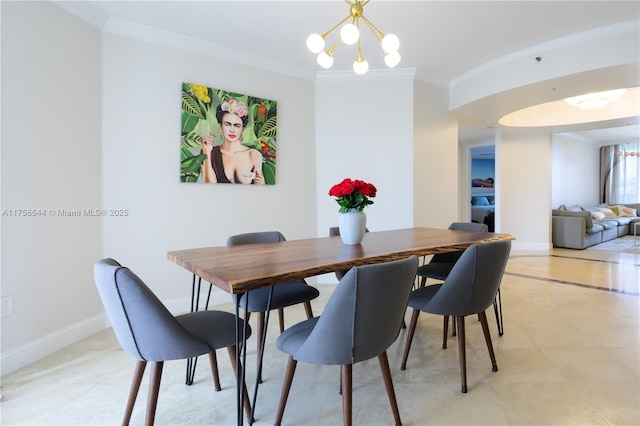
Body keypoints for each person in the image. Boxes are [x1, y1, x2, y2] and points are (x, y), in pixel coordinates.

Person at [200, 99, 265, 184]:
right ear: (220, 127)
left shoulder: (254, 155)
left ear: (242, 129)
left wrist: (260, 183)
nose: (232, 130)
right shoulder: (210, 153)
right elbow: (209, 186)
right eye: (227, 124)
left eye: (237, 126)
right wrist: (207, 153)